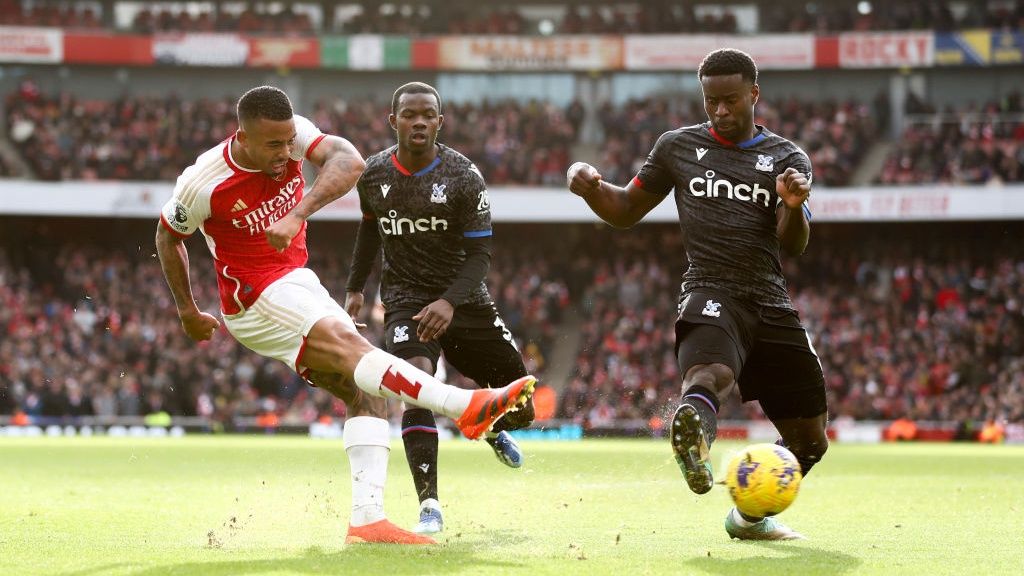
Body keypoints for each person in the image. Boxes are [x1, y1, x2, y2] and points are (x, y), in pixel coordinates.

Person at [156, 85, 535, 546]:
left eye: (288, 141)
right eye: (272, 145)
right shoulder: (203, 182)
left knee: (364, 391)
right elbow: (168, 235)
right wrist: (187, 309)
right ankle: (464, 406)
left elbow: (350, 162)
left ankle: (367, 520)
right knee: (357, 349)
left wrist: (299, 212)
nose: (284, 152)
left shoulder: (295, 138)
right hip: (254, 296)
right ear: (243, 137)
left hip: (296, 279)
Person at [566, 48, 827, 540]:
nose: (721, 111)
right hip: (710, 290)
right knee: (710, 374)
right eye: (712, 102)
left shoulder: (787, 158)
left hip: (770, 303)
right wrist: (590, 187)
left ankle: (748, 518)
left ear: (754, 94)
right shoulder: (677, 148)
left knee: (810, 441)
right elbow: (625, 209)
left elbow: (795, 243)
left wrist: (791, 205)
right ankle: (694, 442)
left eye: (731, 100)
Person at [345, 82, 535, 535]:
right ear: (394, 121)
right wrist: (356, 287)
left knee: (523, 405)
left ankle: (487, 425)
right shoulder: (373, 175)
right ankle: (429, 503)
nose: (418, 122)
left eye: (427, 114)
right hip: (406, 299)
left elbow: (480, 257)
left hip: (464, 300)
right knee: (414, 385)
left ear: (439, 122)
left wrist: (450, 302)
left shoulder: (463, 176)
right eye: (409, 114)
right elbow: (369, 231)